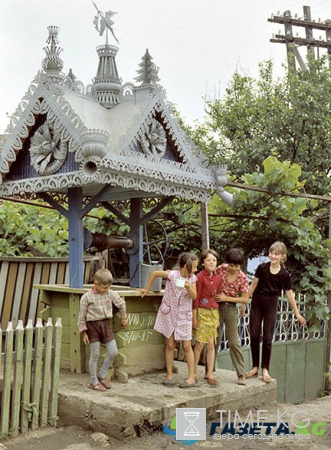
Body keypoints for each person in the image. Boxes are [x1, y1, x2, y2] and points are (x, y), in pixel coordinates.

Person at [243, 241, 306, 383]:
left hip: (271, 303)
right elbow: (253, 285)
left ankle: (265, 368)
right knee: (253, 334)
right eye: (271, 253)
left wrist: (297, 313)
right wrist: (244, 302)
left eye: (276, 254)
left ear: (283, 256)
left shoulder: (284, 275)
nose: (273, 256)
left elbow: (289, 294)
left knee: (267, 338)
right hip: (258, 302)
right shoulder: (261, 268)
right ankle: (255, 367)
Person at [140, 252, 198, 388]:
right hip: (169, 313)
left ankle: (191, 377)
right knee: (170, 344)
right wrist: (147, 289)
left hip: (184, 315)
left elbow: (194, 297)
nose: (195, 270)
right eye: (194, 267)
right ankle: (169, 374)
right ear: (185, 266)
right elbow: (154, 274)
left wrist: (188, 287)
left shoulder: (193, 279)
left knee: (186, 345)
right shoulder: (172, 275)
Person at [78, 268, 127, 391]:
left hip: (106, 325)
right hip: (92, 327)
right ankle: (93, 381)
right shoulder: (86, 297)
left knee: (113, 352)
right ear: (96, 283)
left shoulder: (110, 293)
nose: (106, 290)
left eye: (108, 287)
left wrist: (123, 317)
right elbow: (81, 316)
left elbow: (121, 304)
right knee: (95, 355)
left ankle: (102, 374)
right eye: (104, 288)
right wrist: (84, 333)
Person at [215, 248, 250, 386]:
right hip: (216, 305)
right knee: (214, 339)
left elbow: (244, 299)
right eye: (231, 265)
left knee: (234, 341)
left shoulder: (242, 278)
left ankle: (241, 373)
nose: (233, 268)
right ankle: (209, 369)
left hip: (230, 307)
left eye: (236, 266)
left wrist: (227, 297)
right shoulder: (221, 269)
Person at [193, 249, 222, 385]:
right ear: (203, 262)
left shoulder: (218, 278)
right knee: (199, 344)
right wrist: (194, 317)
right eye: (208, 260)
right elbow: (195, 298)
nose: (211, 262)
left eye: (214, 260)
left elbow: (218, 296)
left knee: (211, 344)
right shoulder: (199, 277)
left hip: (213, 313)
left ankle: (209, 373)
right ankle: (192, 372)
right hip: (202, 312)